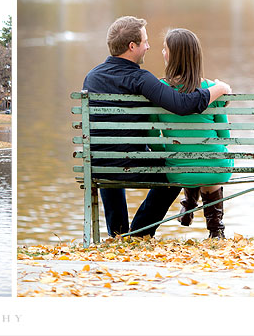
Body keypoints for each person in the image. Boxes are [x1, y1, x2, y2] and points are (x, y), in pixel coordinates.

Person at [82, 16, 231, 239]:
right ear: (132, 46)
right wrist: (219, 89)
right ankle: (141, 231)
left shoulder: (92, 77)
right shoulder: (141, 78)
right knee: (172, 172)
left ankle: (118, 233)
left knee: (109, 159)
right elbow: (183, 105)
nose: (148, 46)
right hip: (132, 161)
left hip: (98, 163)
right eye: (145, 42)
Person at [150, 27, 233, 239]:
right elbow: (225, 137)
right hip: (216, 169)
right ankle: (216, 230)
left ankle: (189, 202)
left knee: (189, 159)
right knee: (210, 161)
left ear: (173, 56)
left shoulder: (159, 90)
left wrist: (166, 151)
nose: (162, 52)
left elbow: (153, 138)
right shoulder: (212, 89)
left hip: (178, 171)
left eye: (165, 49)